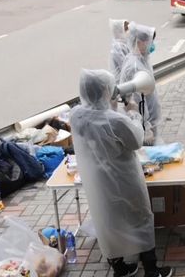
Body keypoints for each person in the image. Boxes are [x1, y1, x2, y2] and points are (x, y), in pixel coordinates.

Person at [70, 70, 172, 277]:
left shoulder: (77, 115)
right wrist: (133, 112)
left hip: (98, 181)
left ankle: (120, 267)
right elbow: (136, 140)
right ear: (106, 91)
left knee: (108, 221)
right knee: (140, 219)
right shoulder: (115, 120)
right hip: (124, 180)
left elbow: (98, 131)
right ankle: (151, 270)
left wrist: (112, 108)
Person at [119, 23, 162, 145]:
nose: (151, 45)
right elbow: (138, 100)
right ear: (139, 42)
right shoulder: (134, 66)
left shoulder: (142, 59)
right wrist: (147, 127)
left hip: (150, 121)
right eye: (148, 41)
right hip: (142, 125)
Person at [109, 19, 130, 84]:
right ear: (120, 31)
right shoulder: (118, 48)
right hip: (121, 82)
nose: (129, 32)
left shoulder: (124, 43)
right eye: (126, 30)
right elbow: (125, 67)